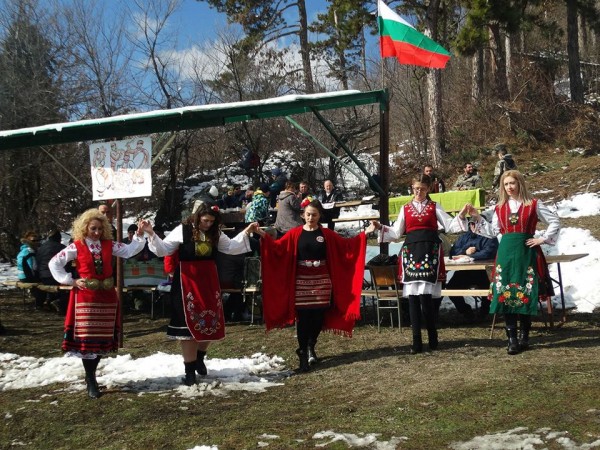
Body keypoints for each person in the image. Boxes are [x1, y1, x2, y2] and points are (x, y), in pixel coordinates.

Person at [140, 203, 259, 385]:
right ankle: (189, 371)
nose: (208, 224)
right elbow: (164, 249)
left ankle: (200, 357)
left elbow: (231, 247)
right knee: (187, 326)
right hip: (187, 280)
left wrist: (247, 232)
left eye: (212, 221)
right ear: (197, 218)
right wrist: (150, 232)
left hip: (209, 280)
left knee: (211, 321)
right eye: (205, 220)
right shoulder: (183, 229)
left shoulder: (215, 232)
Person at [253, 200, 366, 372]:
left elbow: (347, 246)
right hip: (301, 281)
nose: (311, 217)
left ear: (319, 216)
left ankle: (311, 344)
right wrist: (262, 234)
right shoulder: (295, 234)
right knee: (304, 318)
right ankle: (303, 353)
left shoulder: (326, 234)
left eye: (314, 214)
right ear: (302, 215)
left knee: (318, 317)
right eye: (308, 214)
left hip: (322, 280)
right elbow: (278, 248)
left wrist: (367, 233)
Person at [49, 209, 146, 399]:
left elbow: (128, 251)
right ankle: (90, 377)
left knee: (101, 337)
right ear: (84, 228)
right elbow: (54, 263)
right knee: (88, 339)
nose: (97, 233)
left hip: (107, 296)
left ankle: (91, 375)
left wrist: (139, 235)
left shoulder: (109, 244)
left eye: (100, 229)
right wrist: (71, 280)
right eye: (93, 229)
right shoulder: (76, 246)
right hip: (86, 297)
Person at [462, 170, 560, 355]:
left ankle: (525, 337)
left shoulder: (533, 204)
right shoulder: (500, 207)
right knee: (505, 292)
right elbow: (492, 232)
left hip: (526, 252)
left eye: (512, 183)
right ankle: (512, 339)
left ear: (520, 183)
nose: (509, 187)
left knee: (525, 290)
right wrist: (477, 216)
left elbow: (554, 221)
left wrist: (542, 239)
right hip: (506, 253)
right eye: (506, 184)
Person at [366, 174, 463, 354]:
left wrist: (463, 215)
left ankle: (433, 337)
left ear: (428, 189)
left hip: (429, 251)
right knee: (412, 298)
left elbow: (449, 225)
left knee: (426, 298)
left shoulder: (434, 207)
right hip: (411, 252)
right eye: (416, 188)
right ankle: (416, 340)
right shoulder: (405, 208)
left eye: (422, 189)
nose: (419, 192)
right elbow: (396, 232)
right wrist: (380, 227)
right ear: (412, 188)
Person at [440, 219, 499, 321]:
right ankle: (466, 311)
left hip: (484, 272)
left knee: (488, 288)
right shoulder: (464, 237)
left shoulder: (490, 237)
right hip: (464, 272)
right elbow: (453, 252)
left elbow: (489, 252)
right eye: (471, 223)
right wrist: (465, 251)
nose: (473, 226)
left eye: (476, 223)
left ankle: (484, 312)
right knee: (451, 288)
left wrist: (472, 255)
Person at [36, 228, 69, 314]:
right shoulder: (62, 248)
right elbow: (67, 264)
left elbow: (38, 262)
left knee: (52, 285)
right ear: (59, 238)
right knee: (67, 286)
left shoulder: (41, 248)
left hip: (43, 276)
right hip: (55, 276)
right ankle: (60, 303)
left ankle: (49, 301)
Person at [16, 231, 45, 309]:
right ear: (28, 241)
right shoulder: (30, 251)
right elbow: (33, 267)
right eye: (33, 241)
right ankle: (40, 304)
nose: (36, 242)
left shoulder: (23, 250)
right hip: (27, 276)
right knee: (44, 282)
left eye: (37, 240)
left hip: (21, 276)